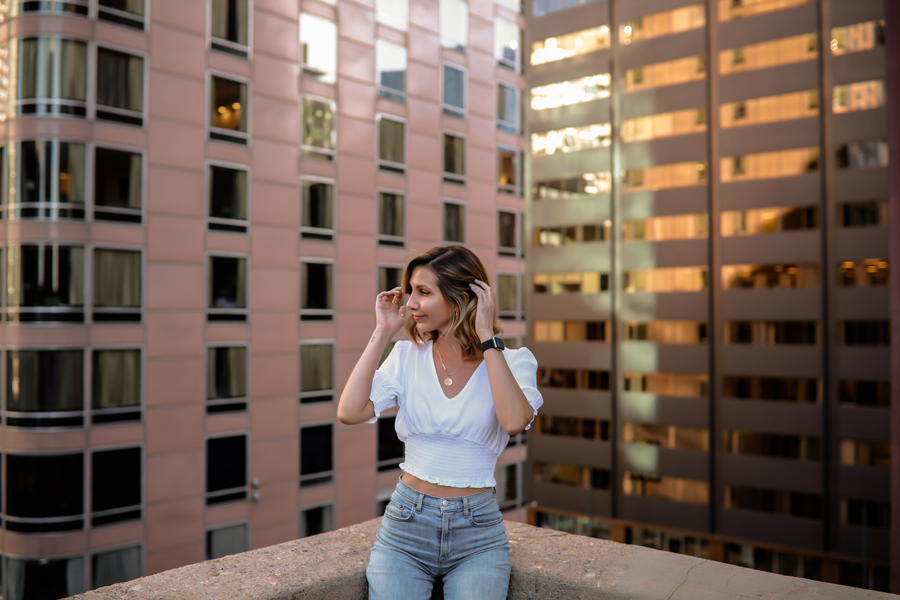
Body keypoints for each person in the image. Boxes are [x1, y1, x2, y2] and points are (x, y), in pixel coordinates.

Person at [337, 245, 543, 600]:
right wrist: (383, 331)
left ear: (462, 297)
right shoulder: (406, 356)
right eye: (412, 291)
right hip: (405, 525)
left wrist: (487, 339)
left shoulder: (514, 361)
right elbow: (350, 412)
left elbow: (513, 421)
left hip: (478, 534)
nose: (411, 303)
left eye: (424, 292)